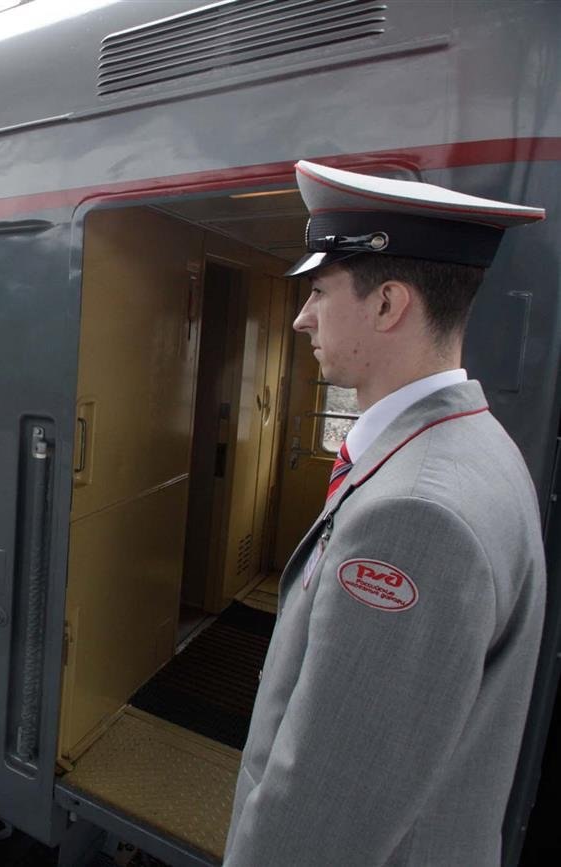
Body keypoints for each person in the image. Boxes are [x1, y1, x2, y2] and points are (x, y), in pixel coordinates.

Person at [224, 160, 547, 866]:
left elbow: (321, 811)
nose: (303, 316)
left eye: (319, 291)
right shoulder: (480, 447)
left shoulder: (413, 517)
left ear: (387, 304)